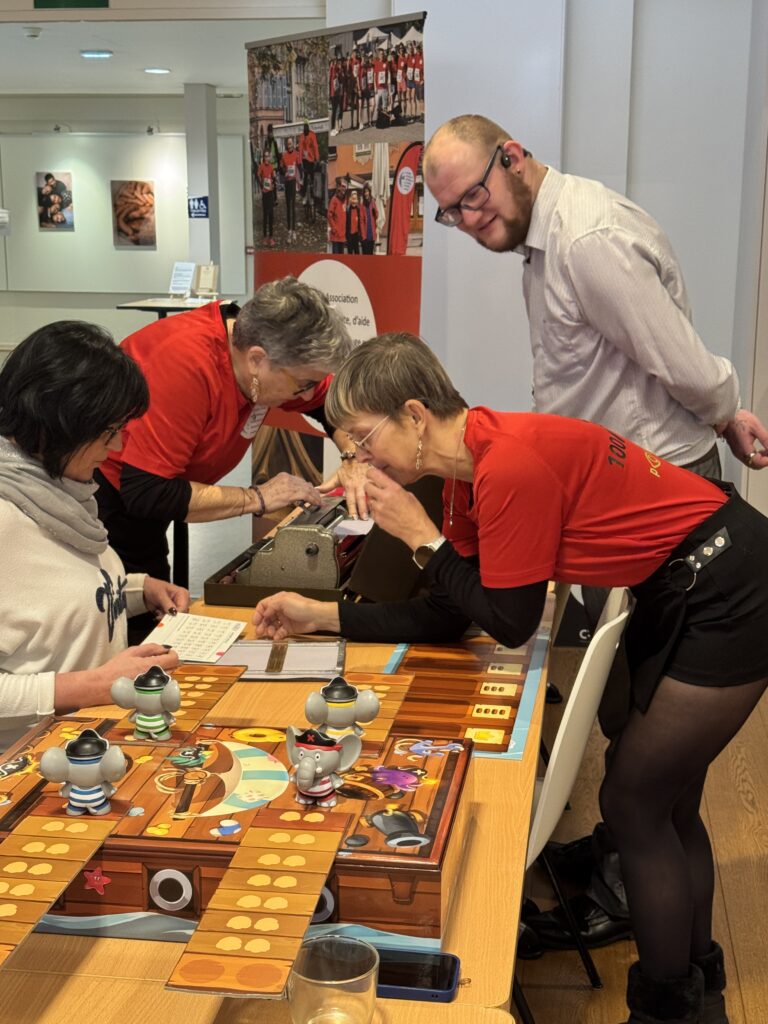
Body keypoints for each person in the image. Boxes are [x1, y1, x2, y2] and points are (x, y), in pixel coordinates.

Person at [253, 331, 768, 1024]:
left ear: (413, 415)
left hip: (732, 582)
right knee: (665, 805)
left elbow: (512, 622)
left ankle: (669, 1011)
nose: (356, 461)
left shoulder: (507, 466)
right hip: (689, 576)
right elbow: (449, 611)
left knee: (635, 803)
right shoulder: (468, 475)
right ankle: (701, 996)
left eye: (359, 439)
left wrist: (421, 539)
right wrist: (322, 615)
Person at [423, 112, 768, 952]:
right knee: (644, 767)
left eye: (475, 198)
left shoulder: (584, 241)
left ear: (512, 157)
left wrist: (727, 413)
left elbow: (678, 359)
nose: (471, 223)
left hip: (667, 502)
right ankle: (650, 903)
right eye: (452, 214)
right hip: (637, 500)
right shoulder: (545, 234)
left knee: (646, 781)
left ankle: (643, 909)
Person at [95, 277, 363, 592]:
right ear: (257, 360)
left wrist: (353, 460)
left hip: (152, 491)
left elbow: (333, 408)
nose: (306, 396)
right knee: (132, 610)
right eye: (303, 384)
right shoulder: (185, 365)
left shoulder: (276, 361)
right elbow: (147, 492)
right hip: (103, 500)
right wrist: (258, 497)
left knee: (155, 600)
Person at [0, 321, 185, 754]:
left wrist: (137, 589)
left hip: (85, 747)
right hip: (24, 777)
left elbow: (45, 597)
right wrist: (91, 685)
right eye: (107, 431)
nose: (118, 443)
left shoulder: (63, 492)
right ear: (57, 424)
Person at [281, 136, 302, 244]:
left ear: (293, 144)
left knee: (293, 206)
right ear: (286, 145)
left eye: (291, 143)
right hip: (287, 183)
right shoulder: (284, 156)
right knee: (288, 207)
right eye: (288, 144)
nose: (290, 146)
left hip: (293, 182)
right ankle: (289, 231)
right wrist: (284, 171)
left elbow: (299, 167)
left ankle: (294, 230)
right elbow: (281, 169)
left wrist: (300, 180)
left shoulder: (296, 154)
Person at [299, 121, 320, 216]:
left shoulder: (312, 135)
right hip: (304, 160)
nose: (305, 129)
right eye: (304, 128)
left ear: (308, 127)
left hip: (311, 160)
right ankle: (304, 196)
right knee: (305, 177)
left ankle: (313, 195)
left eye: (306, 127)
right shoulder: (301, 136)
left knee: (312, 178)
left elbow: (315, 147)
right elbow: (300, 150)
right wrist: (299, 162)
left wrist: (317, 159)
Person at [257, 151, 277, 247]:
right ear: (263, 158)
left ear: (270, 157)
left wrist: (273, 183)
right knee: (265, 215)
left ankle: (271, 237)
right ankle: (265, 236)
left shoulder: (271, 167)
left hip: (270, 194)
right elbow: (258, 176)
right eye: (265, 156)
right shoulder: (261, 166)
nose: (266, 158)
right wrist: (261, 187)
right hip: (265, 194)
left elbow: (274, 179)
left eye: (268, 156)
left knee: (271, 215)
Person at [327, 177, 348, 254]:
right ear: (338, 187)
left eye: (345, 187)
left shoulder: (344, 200)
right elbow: (329, 215)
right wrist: (334, 228)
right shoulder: (334, 199)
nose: (343, 189)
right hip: (336, 236)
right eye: (342, 186)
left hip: (342, 236)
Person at [360, 184, 378, 255]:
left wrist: (375, 212)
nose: (366, 193)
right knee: (365, 254)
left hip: (372, 233)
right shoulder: (362, 205)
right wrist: (363, 236)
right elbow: (361, 221)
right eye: (365, 192)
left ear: (369, 192)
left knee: (371, 254)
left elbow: (376, 216)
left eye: (367, 191)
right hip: (365, 233)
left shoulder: (373, 203)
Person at [345, 189, 362, 255]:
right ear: (350, 199)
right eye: (353, 199)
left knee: (357, 252)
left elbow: (360, 222)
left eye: (355, 199)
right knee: (350, 252)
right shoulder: (347, 209)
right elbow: (345, 223)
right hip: (349, 235)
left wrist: (360, 234)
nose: (354, 201)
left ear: (357, 200)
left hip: (356, 235)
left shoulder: (358, 209)